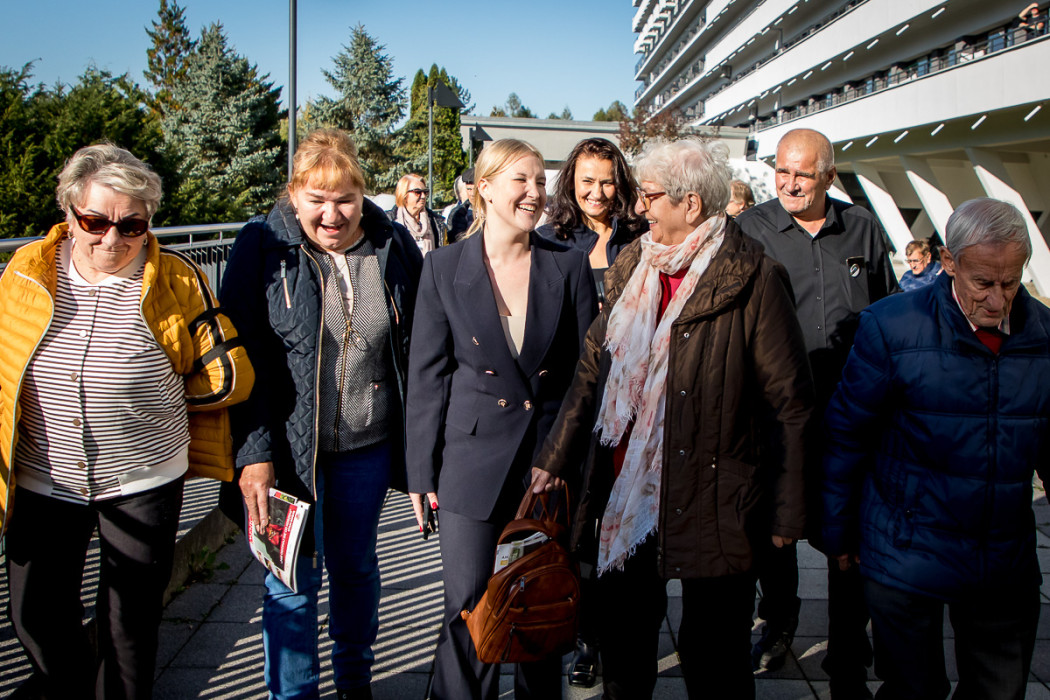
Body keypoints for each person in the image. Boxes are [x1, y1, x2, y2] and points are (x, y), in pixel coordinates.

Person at [531, 138, 814, 700]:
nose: (639, 207)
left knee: (713, 654)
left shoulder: (755, 276)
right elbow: (593, 369)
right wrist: (554, 458)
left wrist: (788, 510)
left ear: (691, 204)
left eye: (651, 195)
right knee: (625, 643)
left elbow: (790, 405)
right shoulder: (635, 263)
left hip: (716, 497)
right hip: (628, 489)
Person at [0, 143, 254, 699]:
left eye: (132, 225)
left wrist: (158, 402)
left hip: (144, 478)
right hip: (44, 478)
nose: (112, 239)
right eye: (95, 221)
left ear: (148, 223)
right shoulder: (26, 270)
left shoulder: (177, 278)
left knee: (129, 629)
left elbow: (228, 372)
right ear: (69, 212)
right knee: (35, 617)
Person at [221, 128, 422, 700]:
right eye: (317, 200)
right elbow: (242, 358)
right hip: (286, 456)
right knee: (290, 583)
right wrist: (254, 454)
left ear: (363, 196)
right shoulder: (262, 246)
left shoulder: (391, 246)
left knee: (356, 569)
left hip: (367, 448)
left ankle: (355, 683)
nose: (332, 215)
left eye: (345, 200)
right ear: (293, 195)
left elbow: (418, 346)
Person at [823, 198, 1047, 700]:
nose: (998, 301)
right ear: (949, 262)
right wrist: (838, 532)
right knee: (913, 689)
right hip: (904, 549)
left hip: (1001, 556)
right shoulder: (891, 326)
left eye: (1011, 283)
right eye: (983, 283)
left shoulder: (1044, 336)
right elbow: (847, 434)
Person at [405, 138, 597, 700]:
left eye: (541, 182)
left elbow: (586, 376)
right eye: (522, 180)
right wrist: (420, 473)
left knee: (537, 605)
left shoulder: (568, 265)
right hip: (470, 464)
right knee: (468, 608)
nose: (535, 193)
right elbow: (427, 376)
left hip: (544, 468)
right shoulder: (443, 268)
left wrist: (560, 459)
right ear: (484, 188)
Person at [735, 127, 898, 698]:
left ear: (829, 175)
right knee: (774, 534)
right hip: (775, 416)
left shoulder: (862, 227)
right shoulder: (749, 230)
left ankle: (849, 650)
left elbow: (890, 312)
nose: (789, 184)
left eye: (803, 174)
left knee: (848, 537)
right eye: (781, 171)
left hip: (851, 412)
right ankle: (778, 623)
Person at [538, 137, 648, 307]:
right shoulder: (547, 241)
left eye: (607, 183)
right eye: (587, 181)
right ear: (571, 182)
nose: (597, 193)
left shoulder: (641, 237)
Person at [388, 173, 448, 255]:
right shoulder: (389, 222)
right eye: (418, 192)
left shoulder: (436, 223)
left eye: (425, 192)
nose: (423, 196)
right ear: (404, 195)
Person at [446, 168, 475, 244]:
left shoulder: (492, 209)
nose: (472, 194)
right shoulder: (458, 213)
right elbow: (456, 240)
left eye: (475, 189)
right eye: (469, 189)